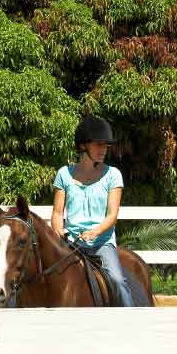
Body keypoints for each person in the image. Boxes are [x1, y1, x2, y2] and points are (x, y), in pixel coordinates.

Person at [51, 115, 134, 306]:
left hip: (102, 243)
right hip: (71, 243)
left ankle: (131, 320)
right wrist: (59, 230)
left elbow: (112, 216)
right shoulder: (64, 174)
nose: (104, 149)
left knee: (117, 281)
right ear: (83, 146)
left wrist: (95, 231)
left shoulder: (113, 175)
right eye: (99, 145)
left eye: (106, 145)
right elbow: (57, 213)